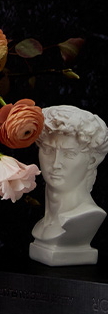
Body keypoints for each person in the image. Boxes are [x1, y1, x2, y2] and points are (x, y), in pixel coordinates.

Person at [30, 106, 108, 266]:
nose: (56, 163)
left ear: (92, 161)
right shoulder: (44, 223)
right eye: (48, 150)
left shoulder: (87, 217)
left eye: (69, 154)